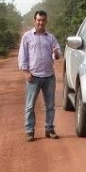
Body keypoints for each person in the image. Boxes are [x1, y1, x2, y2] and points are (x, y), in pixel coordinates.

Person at [18, 10, 62, 141]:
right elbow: (22, 56)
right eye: (38, 20)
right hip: (33, 76)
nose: (41, 22)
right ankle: (29, 131)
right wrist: (26, 72)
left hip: (49, 76)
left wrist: (56, 53)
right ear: (34, 21)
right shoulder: (27, 36)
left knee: (50, 105)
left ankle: (50, 129)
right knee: (30, 105)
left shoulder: (51, 37)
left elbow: (58, 54)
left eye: (43, 20)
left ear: (46, 21)